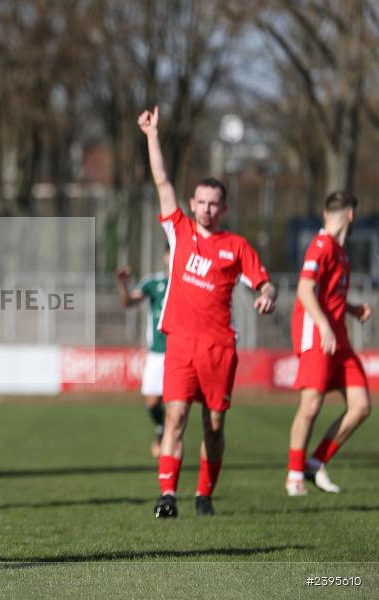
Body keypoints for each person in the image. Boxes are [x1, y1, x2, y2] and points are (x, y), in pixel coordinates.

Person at [137, 105, 277, 518]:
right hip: (180, 344)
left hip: (219, 348)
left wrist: (268, 293)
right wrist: (151, 136)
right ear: (193, 203)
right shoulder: (178, 230)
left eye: (214, 204)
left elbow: (264, 281)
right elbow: (161, 180)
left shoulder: (236, 247)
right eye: (200, 202)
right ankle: (167, 496)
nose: (205, 209)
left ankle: (203, 494)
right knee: (176, 415)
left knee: (213, 425)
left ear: (224, 209)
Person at [285, 191, 372, 496]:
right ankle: (294, 475)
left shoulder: (338, 250)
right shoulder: (321, 246)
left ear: (326, 213)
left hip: (338, 337)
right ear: (351, 214)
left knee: (361, 406)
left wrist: (350, 309)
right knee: (311, 404)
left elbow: (328, 293)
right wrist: (324, 325)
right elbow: (305, 290)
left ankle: (315, 462)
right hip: (318, 334)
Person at [115, 249, 170, 457]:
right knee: (152, 402)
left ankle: (169, 449)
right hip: (156, 353)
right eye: (169, 252)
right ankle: (160, 428)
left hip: (180, 353)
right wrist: (122, 283)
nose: (173, 256)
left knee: (177, 407)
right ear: (164, 256)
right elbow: (128, 302)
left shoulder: (190, 282)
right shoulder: (153, 283)